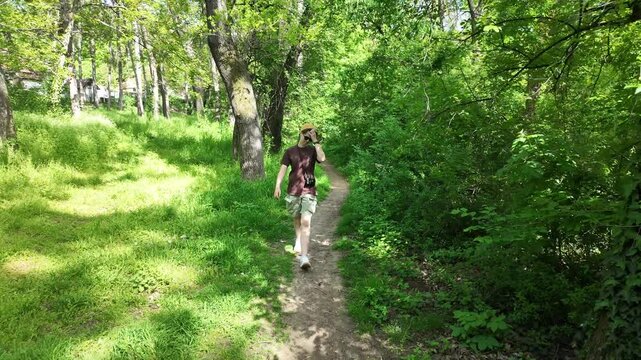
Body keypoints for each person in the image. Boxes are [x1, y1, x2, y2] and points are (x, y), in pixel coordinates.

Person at [273, 123, 326, 270]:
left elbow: (322, 159)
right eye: (306, 133)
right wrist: (277, 185)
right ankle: (298, 240)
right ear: (300, 133)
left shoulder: (313, 150)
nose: (307, 135)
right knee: (296, 218)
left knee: (306, 222)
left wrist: (316, 141)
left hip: (309, 190)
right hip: (293, 191)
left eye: (310, 133)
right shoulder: (290, 151)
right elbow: (283, 170)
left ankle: (304, 257)